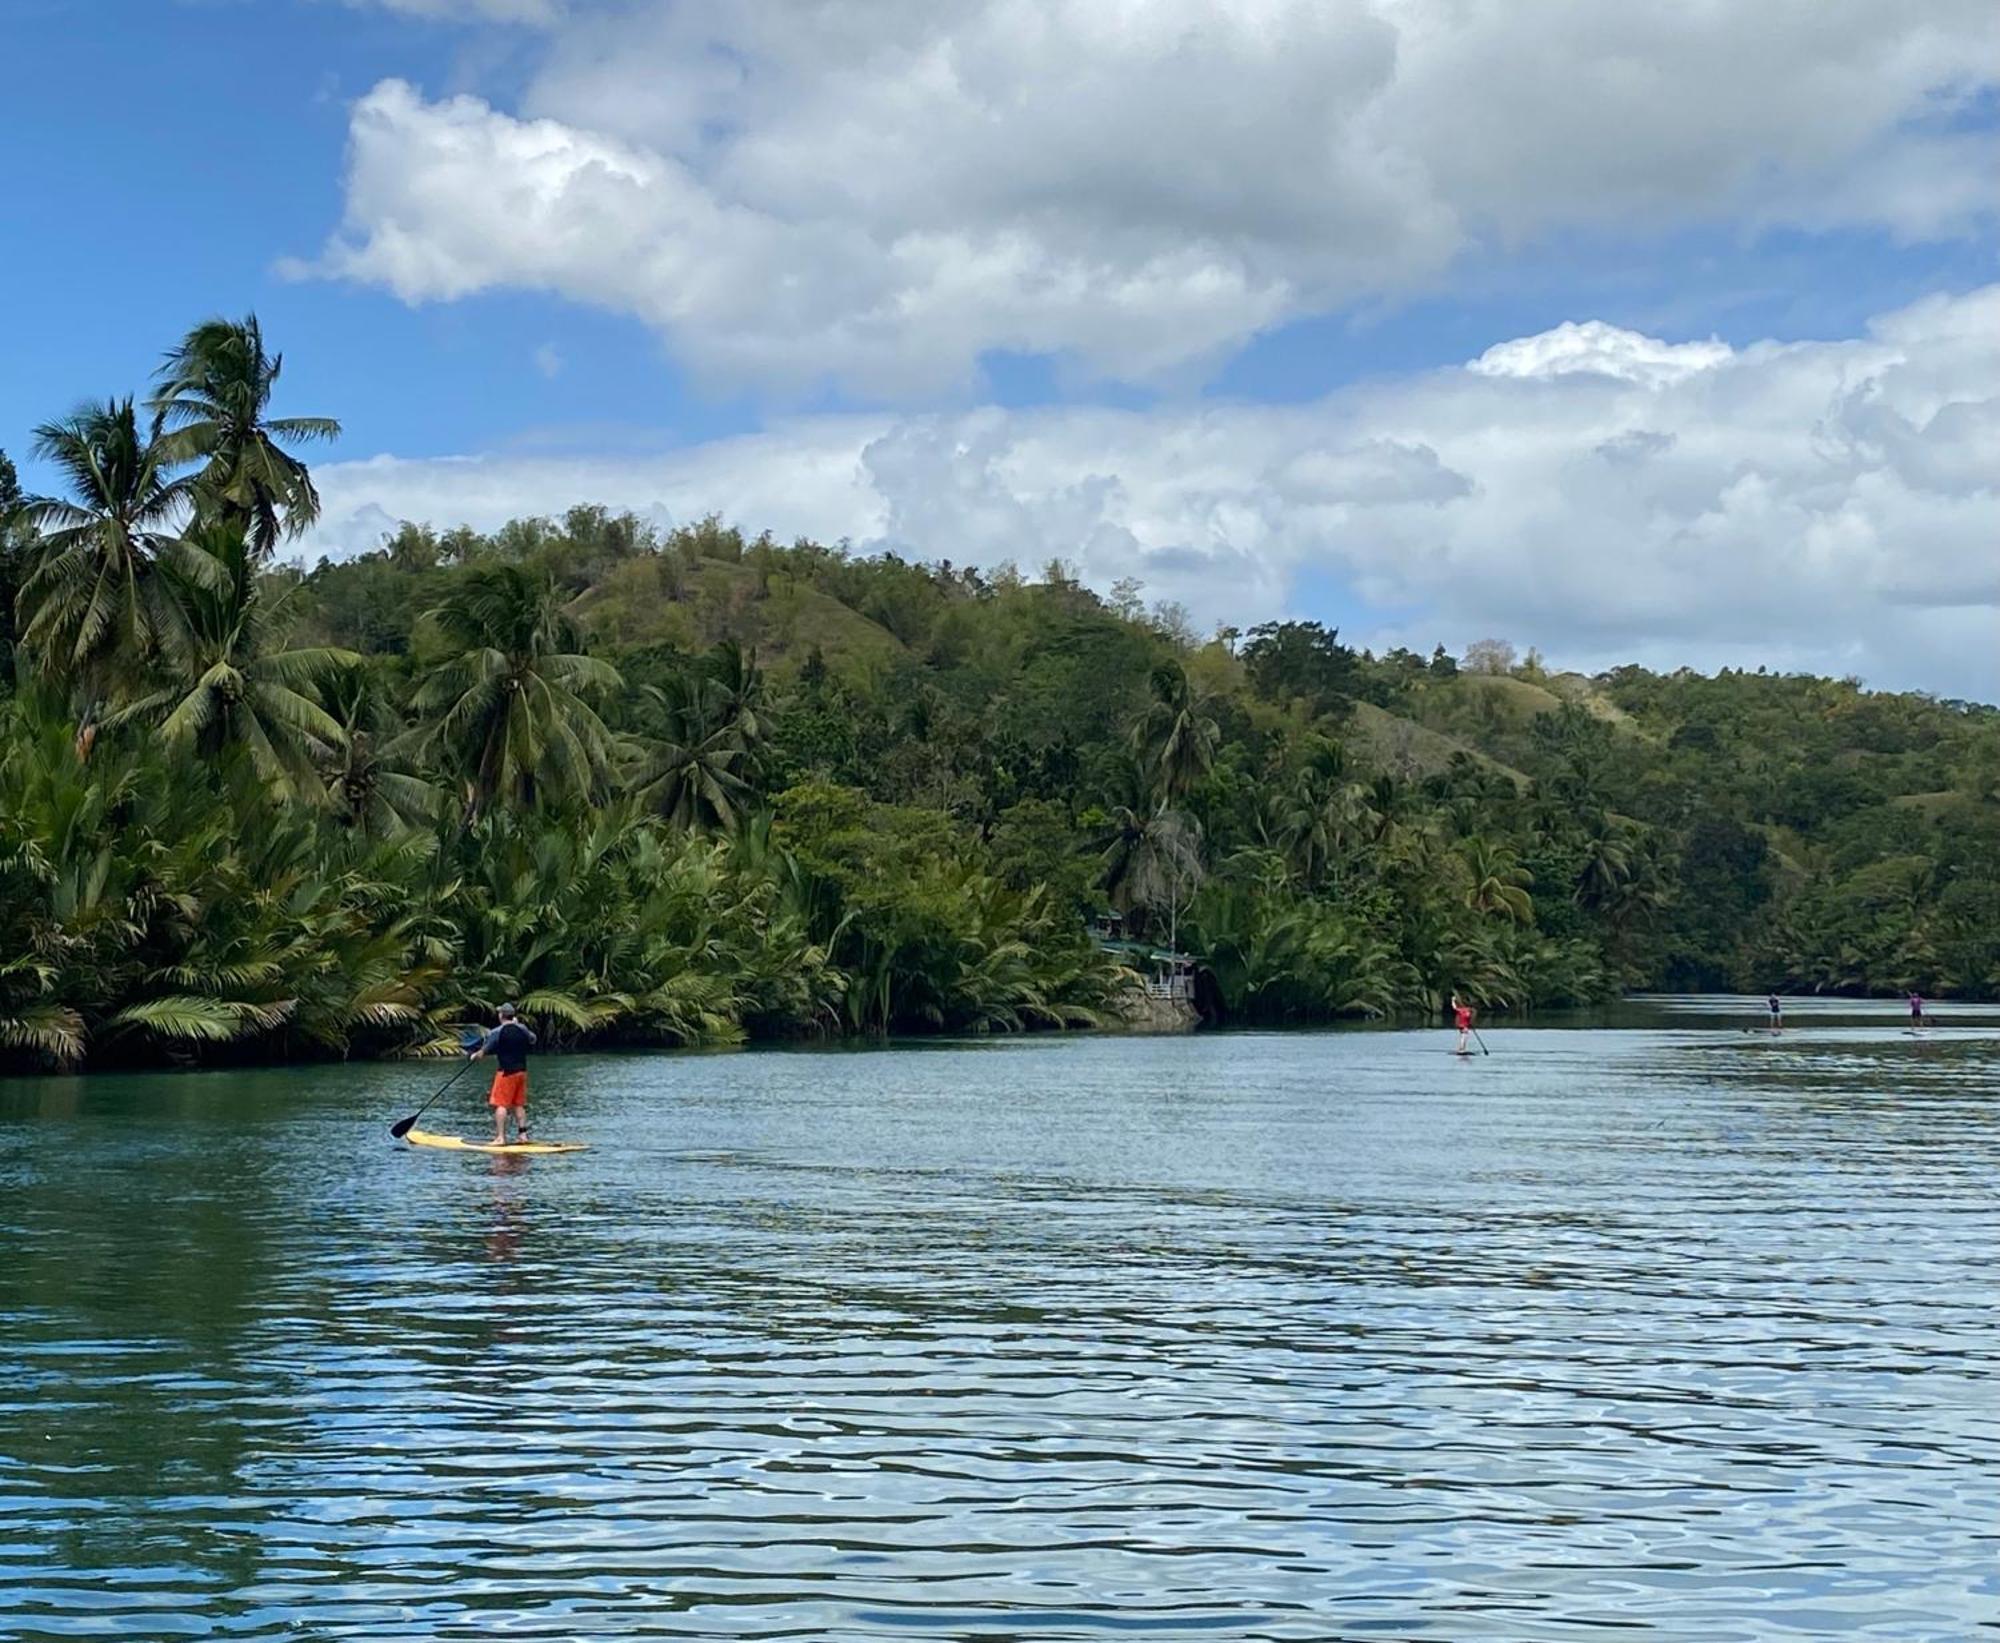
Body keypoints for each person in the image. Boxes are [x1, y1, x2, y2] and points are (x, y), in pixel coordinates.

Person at [471, 1003, 537, 1144]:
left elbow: (483, 1052)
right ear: (513, 1016)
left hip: (506, 1072)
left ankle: (501, 1138)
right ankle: (523, 1136)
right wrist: (518, 1025)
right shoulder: (522, 1028)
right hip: (522, 1072)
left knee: (501, 1105)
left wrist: (474, 1056)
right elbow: (533, 1039)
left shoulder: (497, 1032)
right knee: (518, 1105)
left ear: (501, 1015)